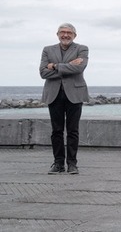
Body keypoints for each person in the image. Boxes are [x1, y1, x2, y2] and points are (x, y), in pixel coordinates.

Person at [39, 23, 90, 175]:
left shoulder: (82, 48)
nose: (65, 35)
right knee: (57, 131)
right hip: (54, 93)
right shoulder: (48, 49)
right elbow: (43, 73)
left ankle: (72, 164)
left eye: (69, 32)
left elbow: (79, 68)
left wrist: (53, 66)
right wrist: (67, 66)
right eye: (62, 32)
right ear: (57, 34)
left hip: (74, 94)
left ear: (75, 35)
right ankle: (58, 163)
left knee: (73, 131)